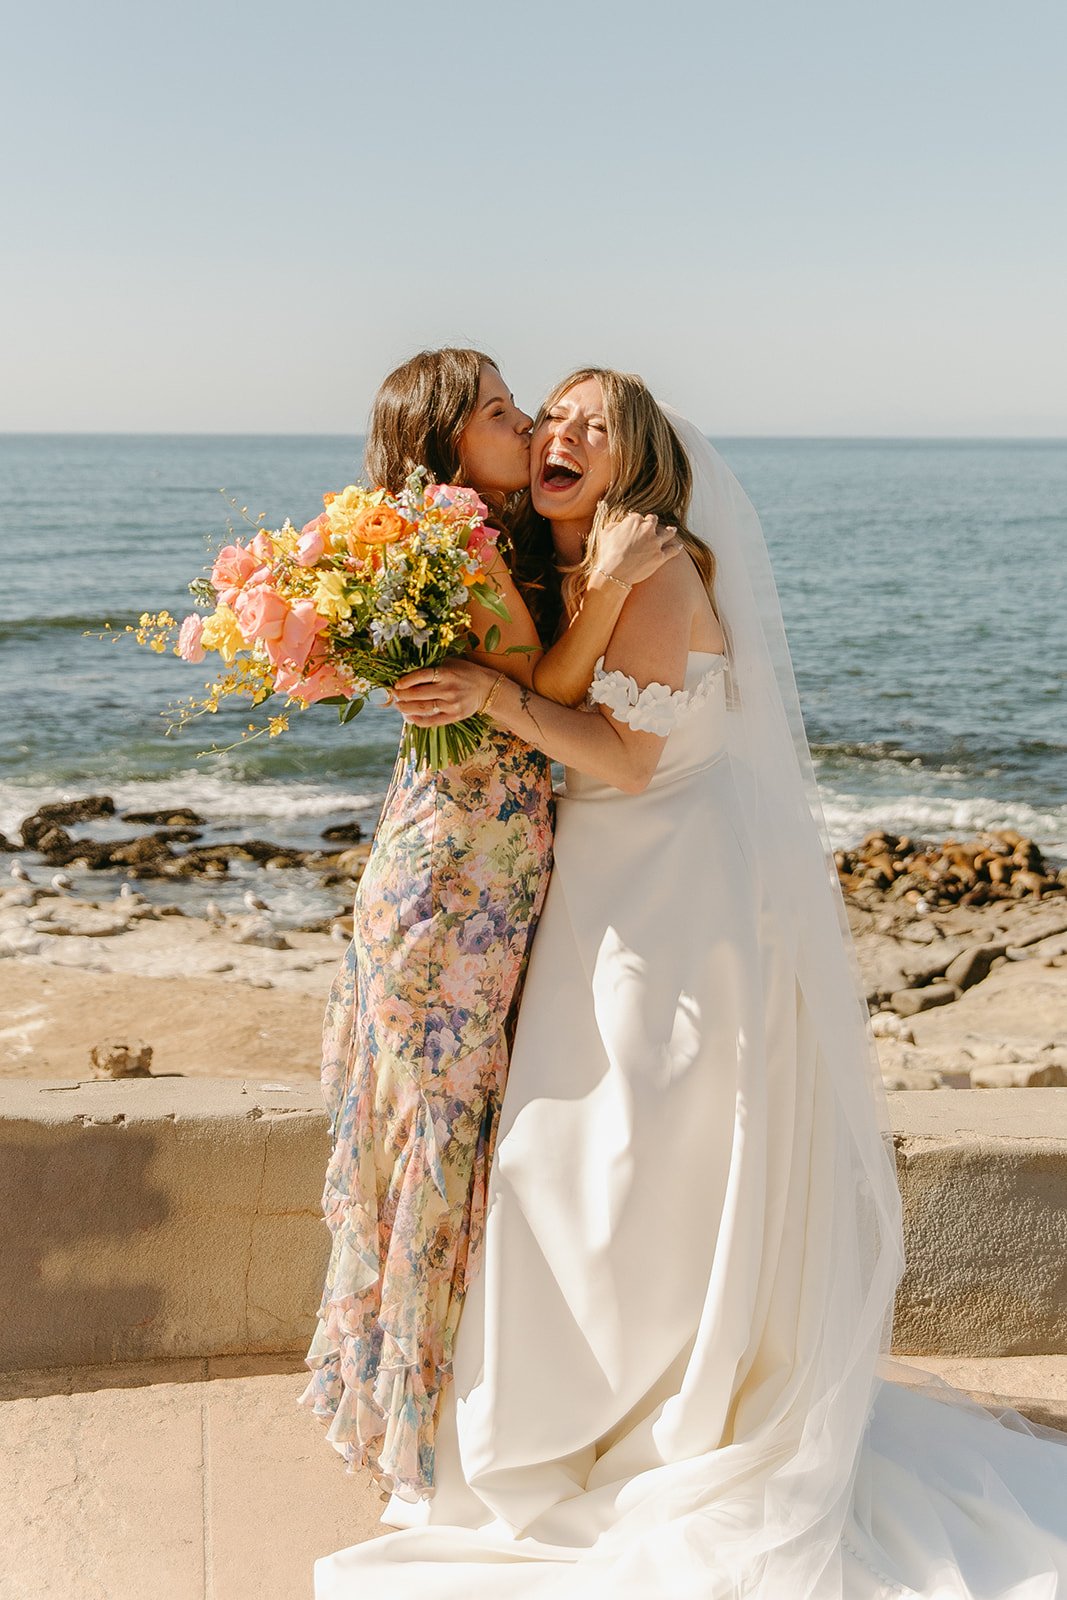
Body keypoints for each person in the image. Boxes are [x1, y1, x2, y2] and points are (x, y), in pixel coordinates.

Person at [315, 368, 1067, 1597]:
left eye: (589, 427)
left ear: (637, 463)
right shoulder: (546, 565)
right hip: (596, 896)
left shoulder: (653, 569)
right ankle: (542, 1419)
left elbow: (618, 758)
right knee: (572, 1146)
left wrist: (501, 698)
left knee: (608, 1153)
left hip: (673, 900)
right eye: (545, 416)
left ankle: (631, 1422)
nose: (558, 434)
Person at [299, 350, 679, 1504]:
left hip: (457, 865)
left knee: (428, 1133)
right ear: (447, 440)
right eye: (504, 413)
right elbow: (550, 702)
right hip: (454, 882)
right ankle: (414, 1436)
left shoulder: (450, 536)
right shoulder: (456, 535)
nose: (527, 428)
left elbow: (484, 688)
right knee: (438, 1139)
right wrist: (608, 590)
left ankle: (400, 1405)